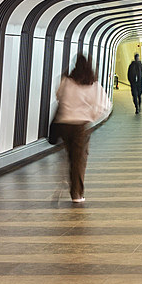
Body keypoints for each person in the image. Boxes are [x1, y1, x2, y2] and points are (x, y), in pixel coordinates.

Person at [54, 54, 112, 204]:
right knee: (79, 159)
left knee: (71, 156)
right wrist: (92, 116)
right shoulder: (93, 84)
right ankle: (77, 194)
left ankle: (71, 181)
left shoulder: (66, 81)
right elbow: (105, 106)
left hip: (65, 124)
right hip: (80, 126)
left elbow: (58, 95)